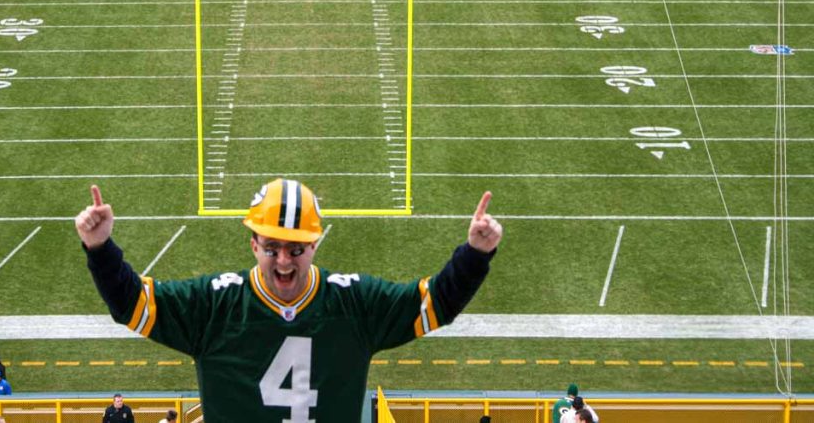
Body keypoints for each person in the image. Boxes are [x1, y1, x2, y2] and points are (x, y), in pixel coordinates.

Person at [76, 179, 502, 422]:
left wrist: (474, 256)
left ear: (315, 245)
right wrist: (100, 248)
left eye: (296, 249)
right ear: (253, 244)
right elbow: (132, 307)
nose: (283, 261)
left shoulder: (353, 302)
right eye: (272, 247)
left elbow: (433, 306)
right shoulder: (214, 304)